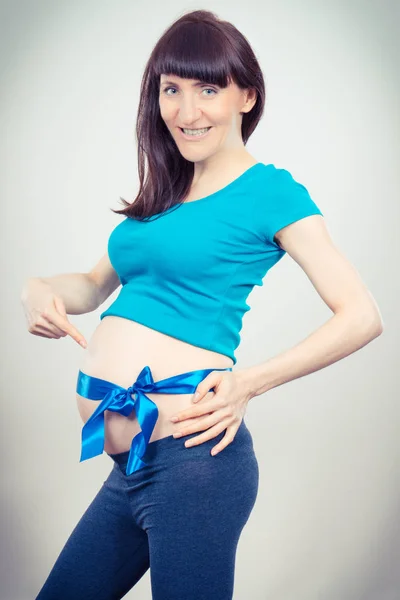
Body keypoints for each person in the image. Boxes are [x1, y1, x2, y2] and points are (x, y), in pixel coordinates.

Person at [21, 9, 383, 600]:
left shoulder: (270, 191)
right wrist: (38, 289)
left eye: (208, 90)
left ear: (247, 95)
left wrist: (249, 383)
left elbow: (361, 315)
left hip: (194, 467)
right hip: (131, 469)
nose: (186, 113)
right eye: (172, 91)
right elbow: (90, 286)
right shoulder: (162, 193)